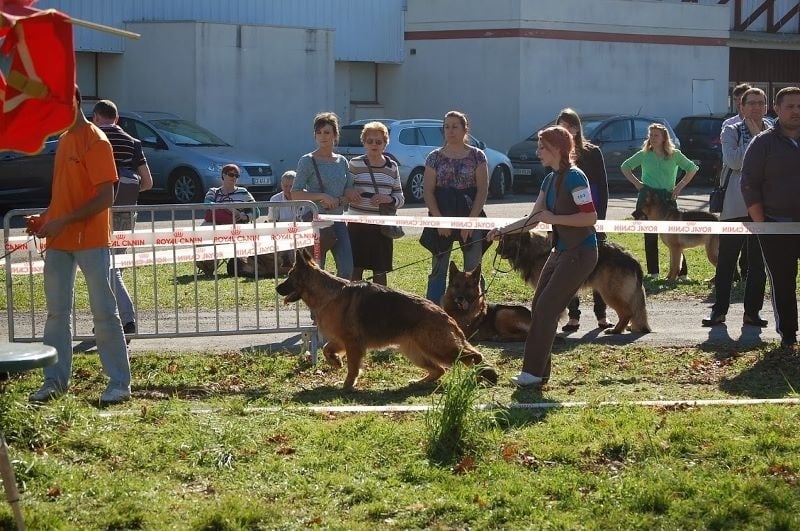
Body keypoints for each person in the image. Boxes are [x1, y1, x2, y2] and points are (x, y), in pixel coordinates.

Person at [26, 87, 131, 404]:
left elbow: (105, 197)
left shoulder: (96, 140)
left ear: (73, 103)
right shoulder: (64, 142)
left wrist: (63, 221)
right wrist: (46, 218)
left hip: (90, 241)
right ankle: (54, 382)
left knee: (104, 313)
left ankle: (119, 384)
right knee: (56, 315)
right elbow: (65, 195)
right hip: (59, 240)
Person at [487, 126, 598, 386]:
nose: (537, 152)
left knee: (547, 308)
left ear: (557, 149)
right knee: (539, 307)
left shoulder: (576, 177)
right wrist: (503, 231)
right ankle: (539, 373)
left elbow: (590, 217)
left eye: (542, 147)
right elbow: (533, 219)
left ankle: (533, 374)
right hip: (560, 251)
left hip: (581, 253)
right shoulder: (548, 180)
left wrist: (555, 218)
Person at [703, 87, 770, 328]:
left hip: (763, 208)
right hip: (734, 207)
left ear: (766, 106)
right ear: (741, 107)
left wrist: (759, 143)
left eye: (760, 103)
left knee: (757, 265)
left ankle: (752, 312)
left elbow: (774, 164)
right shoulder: (730, 130)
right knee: (727, 262)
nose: (756, 107)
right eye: (750, 103)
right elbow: (733, 161)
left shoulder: (774, 129)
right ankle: (719, 311)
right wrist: (756, 141)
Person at [741, 86, 800, 347]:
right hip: (776, 227)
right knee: (783, 281)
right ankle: (788, 334)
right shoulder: (762, 143)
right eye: (790, 106)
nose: (796, 111)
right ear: (777, 108)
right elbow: (749, 183)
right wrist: (761, 223)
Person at [91, 99, 153, 340]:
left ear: (95, 117)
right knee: (113, 266)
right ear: (116, 119)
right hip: (126, 211)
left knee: (105, 269)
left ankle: (124, 319)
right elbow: (148, 182)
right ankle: (110, 320)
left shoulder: (92, 140)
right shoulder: (132, 142)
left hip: (96, 211)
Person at [422, 110, 489, 304]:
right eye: (447, 127)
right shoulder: (434, 157)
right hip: (441, 215)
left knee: (473, 269)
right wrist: (439, 220)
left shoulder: (478, 156)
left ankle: (477, 313)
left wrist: (470, 222)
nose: (450, 131)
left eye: (455, 126)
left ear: (465, 129)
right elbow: (428, 191)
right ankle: (433, 311)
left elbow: (483, 191)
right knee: (438, 269)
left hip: (471, 215)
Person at [556, 108, 611, 333]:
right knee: (569, 270)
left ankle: (601, 315)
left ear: (577, 128)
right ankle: (573, 316)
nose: (566, 130)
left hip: (592, 219)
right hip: (567, 221)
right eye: (561, 126)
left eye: (570, 126)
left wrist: (601, 221)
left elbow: (603, 189)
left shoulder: (593, 152)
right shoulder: (556, 154)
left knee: (597, 268)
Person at [621, 123, 699, 279]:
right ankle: (653, 272)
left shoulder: (674, 154)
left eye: (656, 135)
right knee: (650, 235)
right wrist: (637, 184)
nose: (653, 138)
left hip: (667, 198)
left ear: (664, 137)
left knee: (675, 236)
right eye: (650, 135)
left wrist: (679, 187)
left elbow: (692, 168)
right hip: (648, 199)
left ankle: (682, 273)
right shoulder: (644, 154)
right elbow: (625, 166)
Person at [291, 112, 360, 279]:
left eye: (327, 132)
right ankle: (317, 304)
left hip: (338, 222)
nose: (322, 136)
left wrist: (341, 199)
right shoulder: (307, 160)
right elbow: (295, 193)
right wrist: (321, 196)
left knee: (346, 270)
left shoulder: (342, 161)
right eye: (319, 132)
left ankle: (336, 304)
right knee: (315, 271)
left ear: (335, 135)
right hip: (316, 223)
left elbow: (347, 191)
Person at [347, 121, 405, 285]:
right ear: (363, 142)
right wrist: (350, 193)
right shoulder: (354, 164)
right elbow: (345, 190)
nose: (374, 144)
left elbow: (400, 196)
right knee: (355, 269)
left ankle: (380, 307)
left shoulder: (392, 166)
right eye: (370, 141)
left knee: (380, 270)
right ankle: (354, 305)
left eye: (378, 141)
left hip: (382, 227)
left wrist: (389, 199)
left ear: (385, 143)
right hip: (357, 225)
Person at [197, 164, 260, 276]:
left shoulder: (243, 192)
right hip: (214, 224)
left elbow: (256, 211)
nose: (234, 177)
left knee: (218, 238)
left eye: (237, 175)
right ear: (223, 175)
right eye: (231, 174)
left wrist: (244, 216)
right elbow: (207, 204)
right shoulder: (213, 191)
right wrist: (226, 207)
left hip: (235, 227)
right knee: (203, 234)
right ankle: (207, 265)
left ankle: (209, 265)